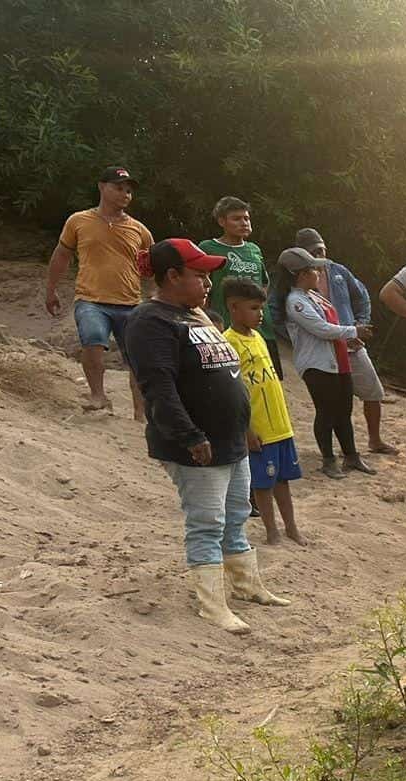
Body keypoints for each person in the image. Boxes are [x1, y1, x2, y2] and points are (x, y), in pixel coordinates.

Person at [127, 239, 288, 634]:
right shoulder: (151, 321)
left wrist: (244, 427)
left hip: (230, 439)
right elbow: (158, 388)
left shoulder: (194, 313)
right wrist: (190, 436)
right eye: (199, 275)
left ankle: (247, 586)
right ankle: (212, 604)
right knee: (207, 522)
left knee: (235, 515)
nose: (208, 282)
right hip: (198, 445)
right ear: (172, 276)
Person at [44, 165, 154, 416]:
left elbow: (153, 265)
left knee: (139, 360)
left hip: (131, 302)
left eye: (129, 191)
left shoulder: (140, 230)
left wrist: (156, 295)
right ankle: (98, 395)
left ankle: (140, 413)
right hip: (91, 299)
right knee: (92, 342)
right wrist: (51, 290)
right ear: (101, 187)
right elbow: (61, 255)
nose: (125, 194)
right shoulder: (78, 221)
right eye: (118, 188)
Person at [288, 227, 396, 455]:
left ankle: (373, 440)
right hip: (323, 351)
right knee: (329, 406)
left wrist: (360, 323)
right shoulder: (297, 289)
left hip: (351, 345)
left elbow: (362, 295)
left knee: (372, 392)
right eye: (313, 252)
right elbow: (313, 325)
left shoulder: (338, 271)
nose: (319, 256)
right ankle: (331, 455)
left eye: (321, 249)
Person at [275, 247, 375, 479]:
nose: (319, 273)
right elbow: (320, 329)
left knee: (344, 410)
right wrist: (353, 330)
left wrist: (349, 334)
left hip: (337, 360)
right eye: (313, 269)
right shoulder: (295, 301)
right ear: (299, 274)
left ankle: (351, 456)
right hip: (318, 365)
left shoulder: (312, 295)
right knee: (326, 412)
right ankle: (329, 459)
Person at [222, 278, 304, 547]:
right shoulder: (228, 342)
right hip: (259, 428)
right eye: (254, 308)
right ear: (234, 308)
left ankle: (291, 527)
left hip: (280, 424)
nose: (261, 314)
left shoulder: (258, 337)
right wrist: (246, 429)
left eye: (262, 308)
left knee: (283, 480)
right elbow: (232, 393)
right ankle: (272, 531)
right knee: (263, 483)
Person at [199, 196, 282, 379]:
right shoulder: (208, 248)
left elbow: (264, 283)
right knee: (233, 381)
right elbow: (200, 285)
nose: (244, 223)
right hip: (226, 329)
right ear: (222, 221)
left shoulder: (254, 249)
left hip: (261, 330)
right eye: (236, 218)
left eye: (246, 218)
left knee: (267, 379)